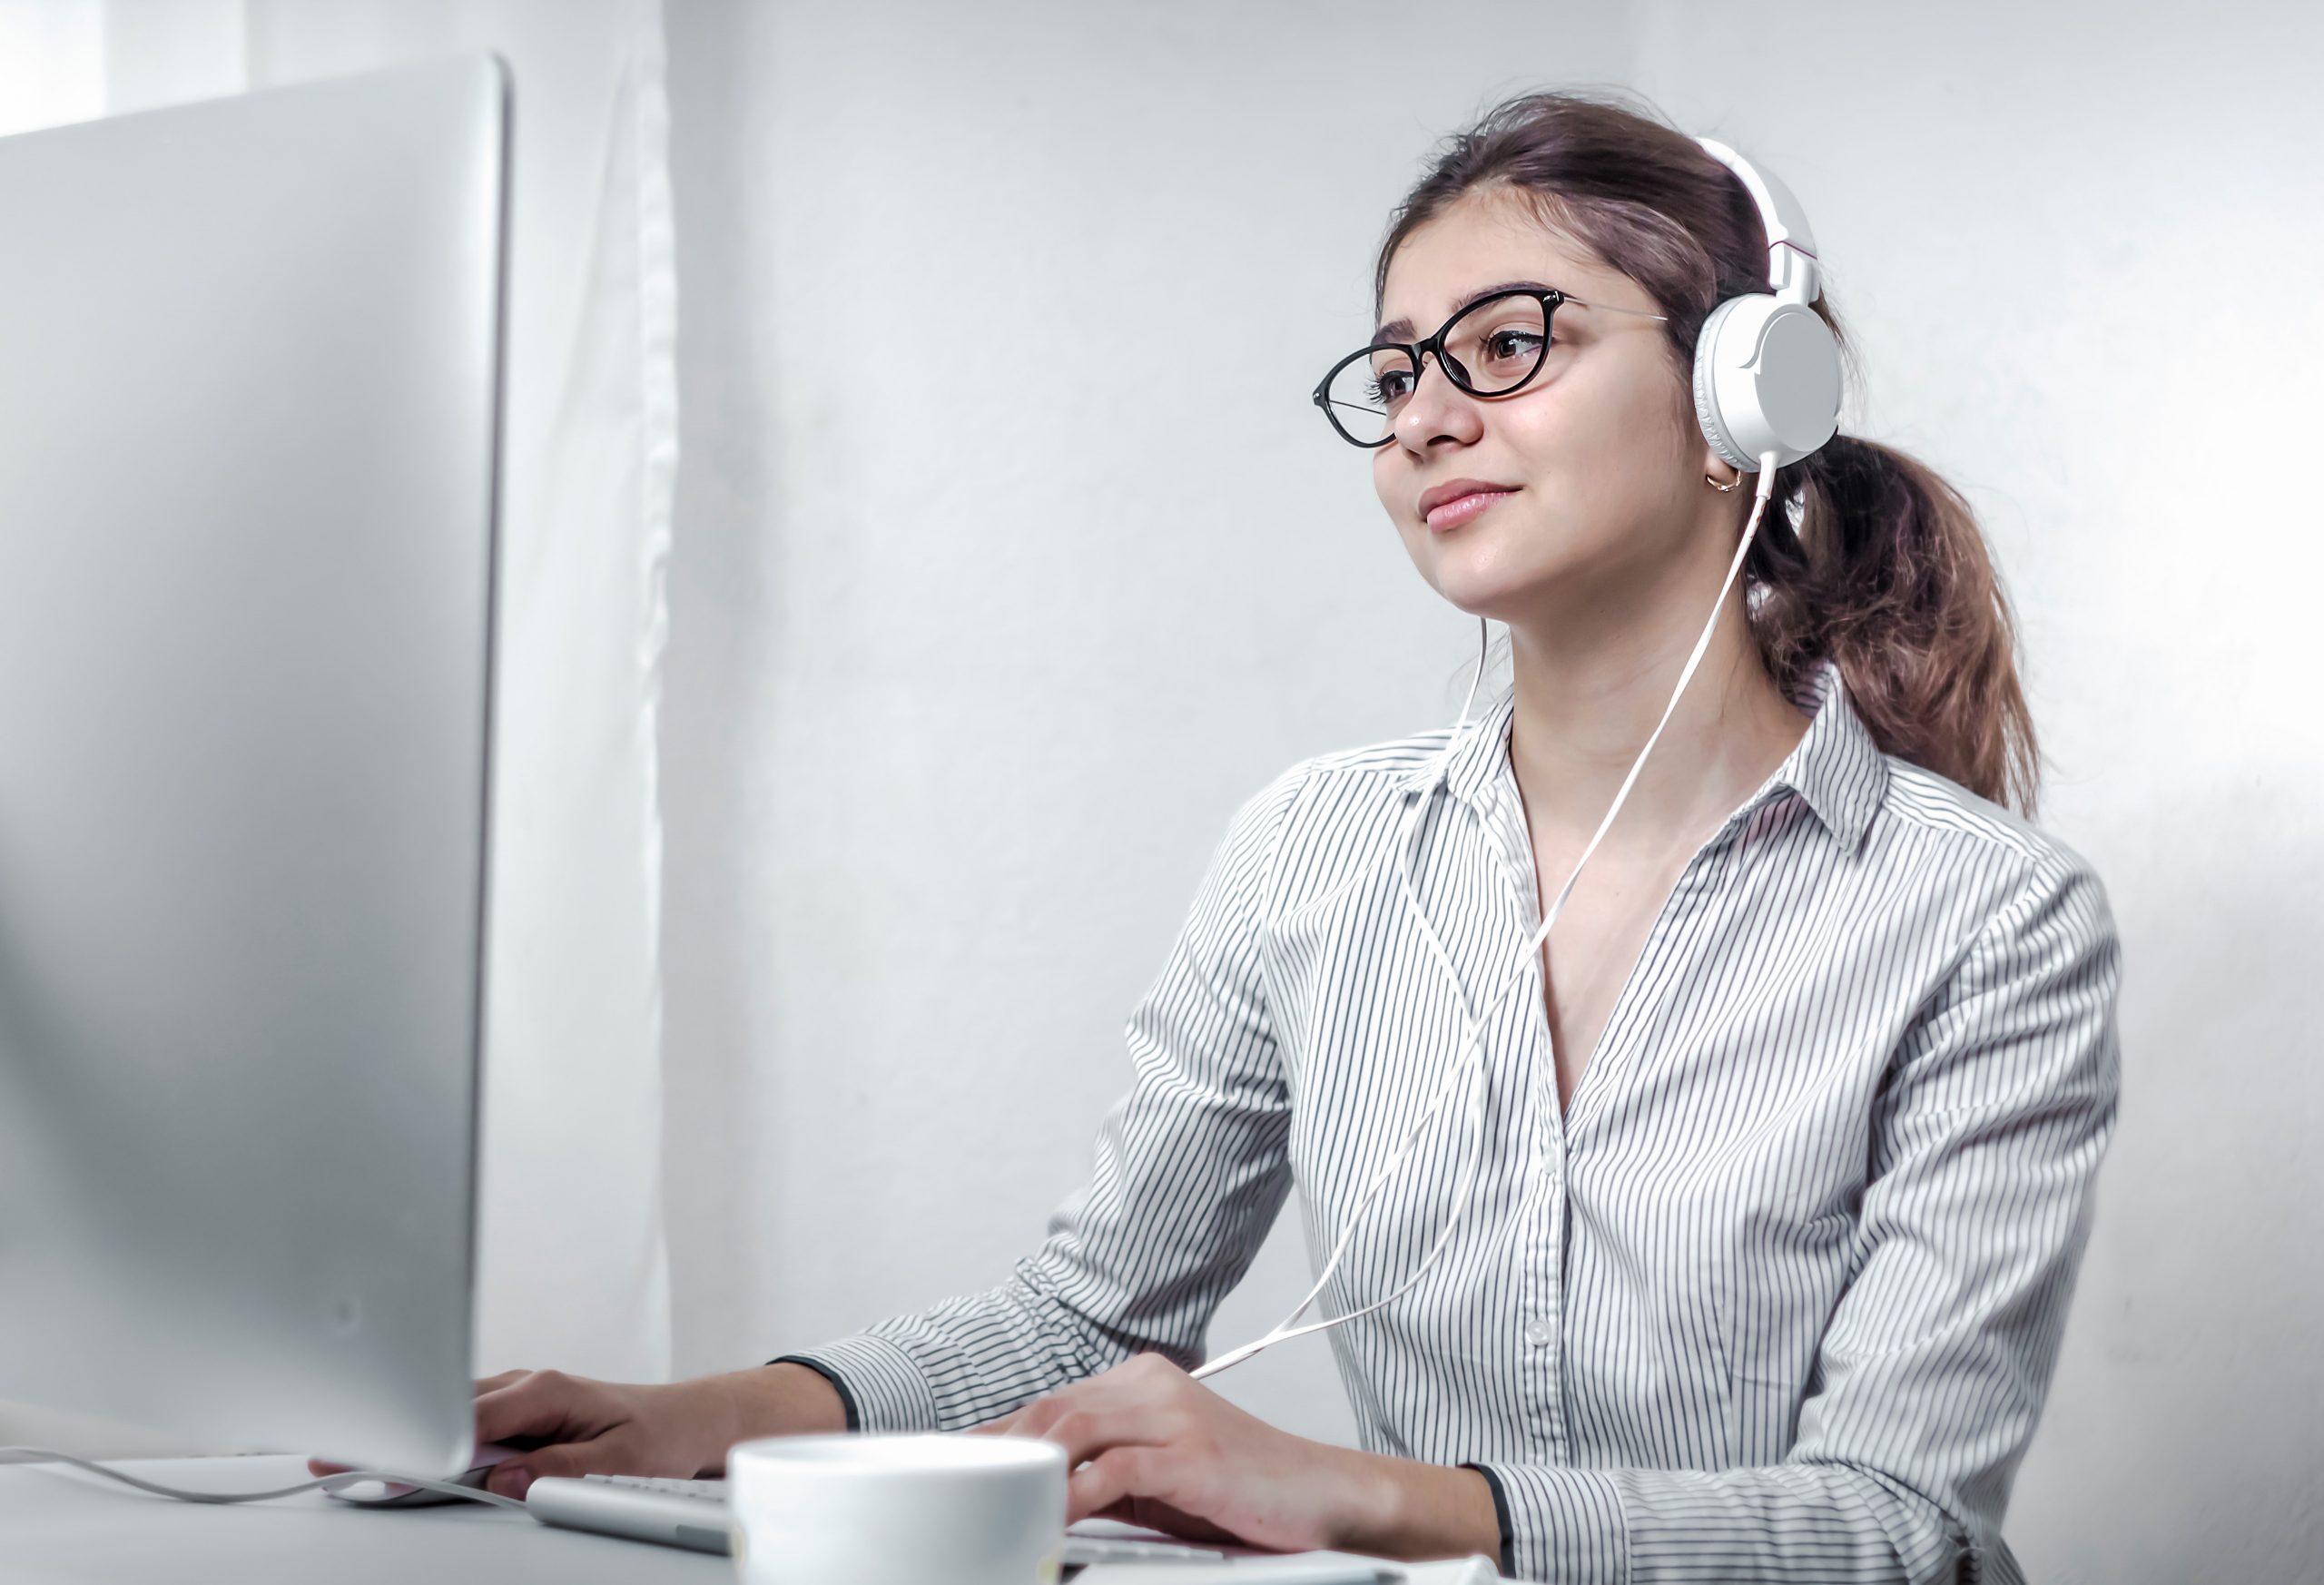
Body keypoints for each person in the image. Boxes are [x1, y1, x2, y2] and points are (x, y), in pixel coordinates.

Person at [428, 93, 2121, 1581]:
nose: (1425, 420)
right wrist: (682, 1417)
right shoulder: (1313, 853)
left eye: (1508, 344)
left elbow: (1904, 1533)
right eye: (1394, 373)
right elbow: (1083, 1319)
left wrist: (1364, 1499)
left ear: (1738, 396)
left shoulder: (1990, 922)